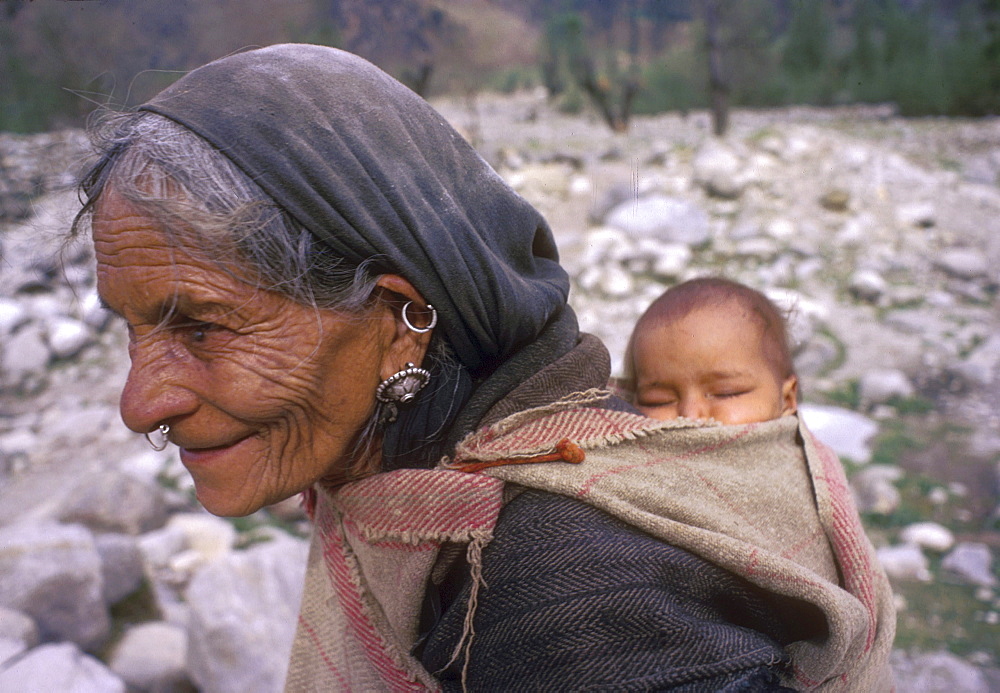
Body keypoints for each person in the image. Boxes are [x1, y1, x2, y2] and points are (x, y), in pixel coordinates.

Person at [73, 44, 893, 691]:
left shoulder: (564, 600)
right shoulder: (419, 494)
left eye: (206, 328)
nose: (140, 403)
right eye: (134, 328)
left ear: (402, 326)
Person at [624, 277, 798, 425]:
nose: (690, 416)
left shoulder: (812, 463)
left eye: (726, 393)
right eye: (658, 401)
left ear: (787, 399)